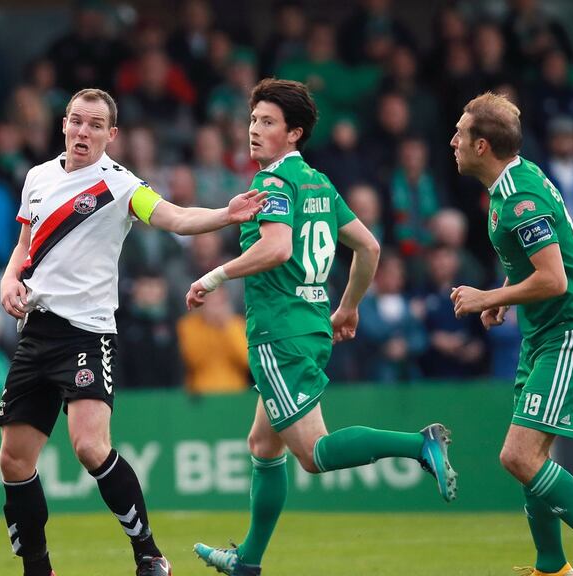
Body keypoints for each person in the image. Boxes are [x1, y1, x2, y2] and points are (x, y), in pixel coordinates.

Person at [187, 79, 456, 576]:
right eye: (252, 120)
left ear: (294, 133)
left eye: (267, 122)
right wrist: (348, 308)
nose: (254, 130)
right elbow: (369, 248)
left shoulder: (272, 183)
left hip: (278, 333)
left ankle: (419, 443)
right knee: (263, 445)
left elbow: (277, 248)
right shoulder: (319, 182)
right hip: (311, 326)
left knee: (313, 454)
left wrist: (214, 276)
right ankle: (247, 560)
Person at [0, 88, 266, 576]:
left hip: (86, 333)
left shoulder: (119, 185)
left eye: (95, 125)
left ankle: (149, 554)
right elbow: (24, 245)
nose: (83, 131)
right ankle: (38, 567)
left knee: (89, 446)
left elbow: (175, 218)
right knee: (14, 461)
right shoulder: (37, 177)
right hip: (35, 331)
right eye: (77, 121)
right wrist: (10, 277)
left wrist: (226, 213)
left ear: (111, 135)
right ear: (63, 124)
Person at [449, 92, 573, 576]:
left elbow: (555, 278)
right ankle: (552, 567)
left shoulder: (519, 197)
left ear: (482, 146)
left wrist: (488, 297)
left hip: (572, 333)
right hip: (543, 335)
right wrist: (509, 295)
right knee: (531, 456)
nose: (452, 139)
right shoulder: (508, 185)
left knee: (517, 456)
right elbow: (534, 269)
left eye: (460, 132)